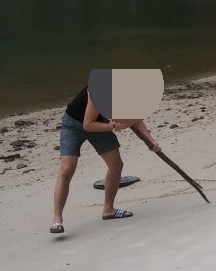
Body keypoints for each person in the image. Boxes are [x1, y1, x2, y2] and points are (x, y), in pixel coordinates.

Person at [50, 85, 161, 234]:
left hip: (99, 124)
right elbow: (87, 124)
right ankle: (57, 220)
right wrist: (115, 125)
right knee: (67, 169)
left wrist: (151, 141)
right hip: (74, 125)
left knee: (116, 165)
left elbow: (135, 119)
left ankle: (109, 210)